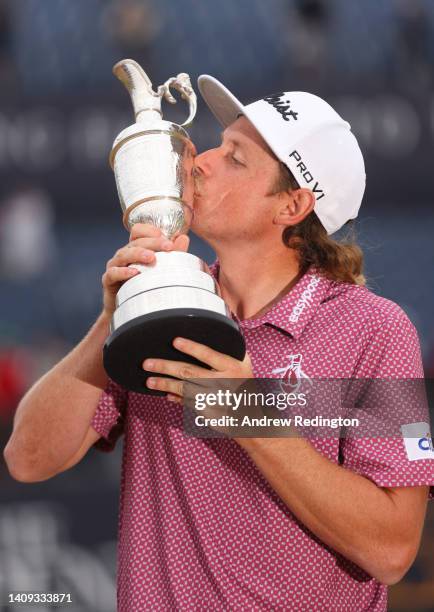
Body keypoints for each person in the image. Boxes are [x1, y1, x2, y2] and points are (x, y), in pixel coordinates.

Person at [4, 76, 434, 611]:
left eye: (235, 158)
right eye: (218, 143)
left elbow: (393, 548)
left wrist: (245, 411)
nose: (201, 161)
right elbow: (27, 458)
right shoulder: (159, 305)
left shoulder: (377, 330)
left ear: (292, 206)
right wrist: (112, 318)